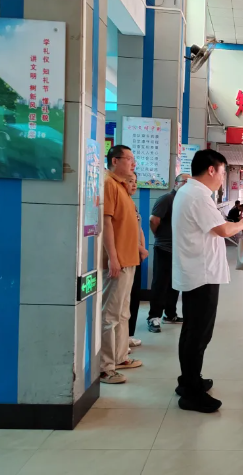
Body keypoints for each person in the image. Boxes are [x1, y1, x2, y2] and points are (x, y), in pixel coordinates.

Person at [172, 149, 243, 413]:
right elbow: (223, 229)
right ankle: (191, 393)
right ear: (211, 170)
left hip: (196, 271)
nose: (223, 178)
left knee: (192, 330)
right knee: (198, 334)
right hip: (201, 274)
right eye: (223, 172)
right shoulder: (198, 195)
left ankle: (188, 381)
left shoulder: (190, 192)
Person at [101, 145, 143, 384]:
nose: (133, 164)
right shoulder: (109, 184)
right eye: (129, 159)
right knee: (110, 315)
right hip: (119, 261)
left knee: (123, 312)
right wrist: (113, 257)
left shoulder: (123, 188)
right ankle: (105, 367)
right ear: (115, 161)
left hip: (129, 259)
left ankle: (120, 357)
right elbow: (106, 223)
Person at [146, 173, 190, 333]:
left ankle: (170, 314)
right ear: (176, 183)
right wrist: (160, 237)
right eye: (185, 182)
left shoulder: (186, 201)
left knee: (175, 282)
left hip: (180, 250)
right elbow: (153, 220)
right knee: (160, 283)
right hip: (164, 248)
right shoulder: (166, 199)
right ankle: (154, 317)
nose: (188, 185)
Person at [126, 173, 149, 348]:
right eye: (130, 181)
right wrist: (140, 248)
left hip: (136, 256)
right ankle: (120, 342)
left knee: (134, 297)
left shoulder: (131, 204)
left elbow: (139, 229)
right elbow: (122, 233)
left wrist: (143, 247)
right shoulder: (120, 203)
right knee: (122, 302)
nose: (134, 185)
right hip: (127, 256)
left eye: (135, 182)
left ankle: (128, 335)